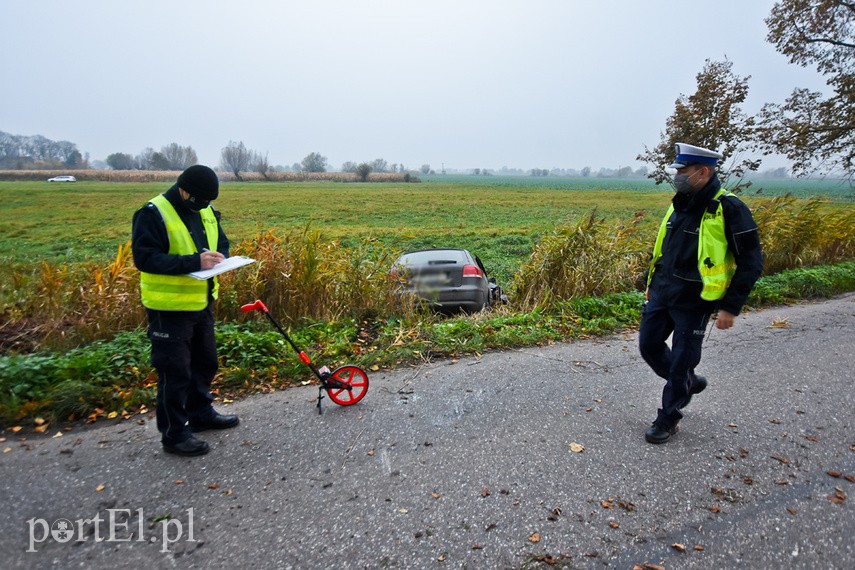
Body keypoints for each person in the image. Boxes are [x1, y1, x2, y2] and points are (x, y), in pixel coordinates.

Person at [639, 143, 763, 444]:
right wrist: (649, 282)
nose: (678, 176)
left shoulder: (729, 208)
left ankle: (669, 416)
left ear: (702, 172)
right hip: (662, 292)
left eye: (683, 171)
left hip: (695, 301)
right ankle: (688, 383)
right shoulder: (679, 203)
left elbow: (751, 261)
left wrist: (730, 307)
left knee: (682, 360)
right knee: (649, 346)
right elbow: (665, 249)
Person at [132, 165, 239, 456]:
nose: (204, 206)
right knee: (175, 373)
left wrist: (221, 259)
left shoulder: (204, 209)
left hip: (201, 302)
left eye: (208, 201)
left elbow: (222, 242)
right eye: (199, 200)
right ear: (183, 189)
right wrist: (194, 262)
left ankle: (200, 413)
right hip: (168, 308)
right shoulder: (153, 213)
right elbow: (145, 258)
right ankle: (175, 434)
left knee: (205, 363)